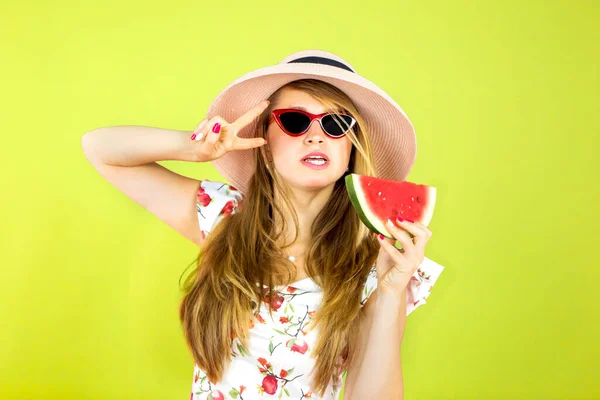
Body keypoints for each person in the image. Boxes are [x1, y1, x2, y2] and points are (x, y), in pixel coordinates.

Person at [81, 50, 445, 400]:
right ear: (265, 141)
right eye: (295, 121)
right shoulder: (223, 217)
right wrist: (193, 147)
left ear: (351, 147)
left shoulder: (376, 265)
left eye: (336, 124)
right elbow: (99, 148)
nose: (316, 135)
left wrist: (390, 291)